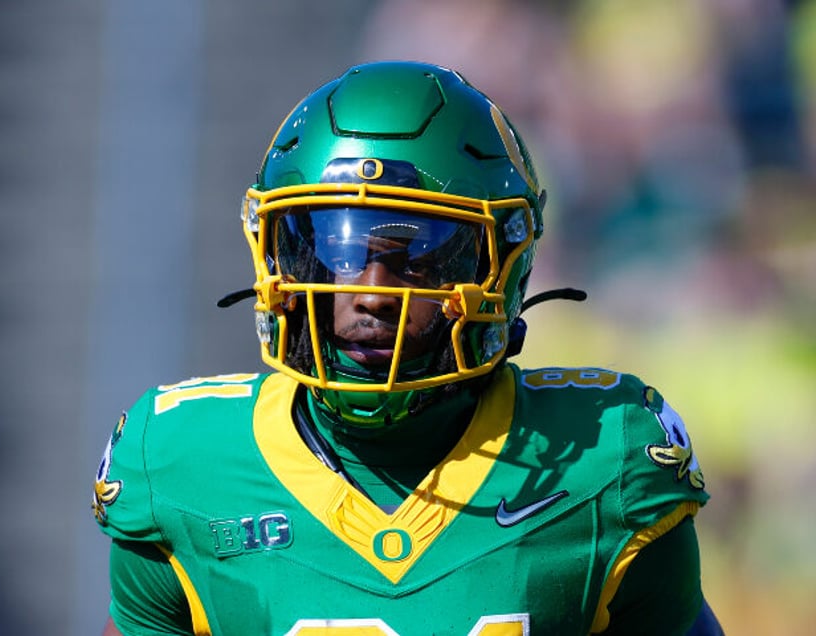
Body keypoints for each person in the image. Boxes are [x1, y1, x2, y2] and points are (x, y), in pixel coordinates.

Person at [93, 61, 723, 635]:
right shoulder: (180, 467)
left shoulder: (604, 459)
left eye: (418, 255)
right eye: (337, 250)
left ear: (499, 264)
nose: (371, 294)